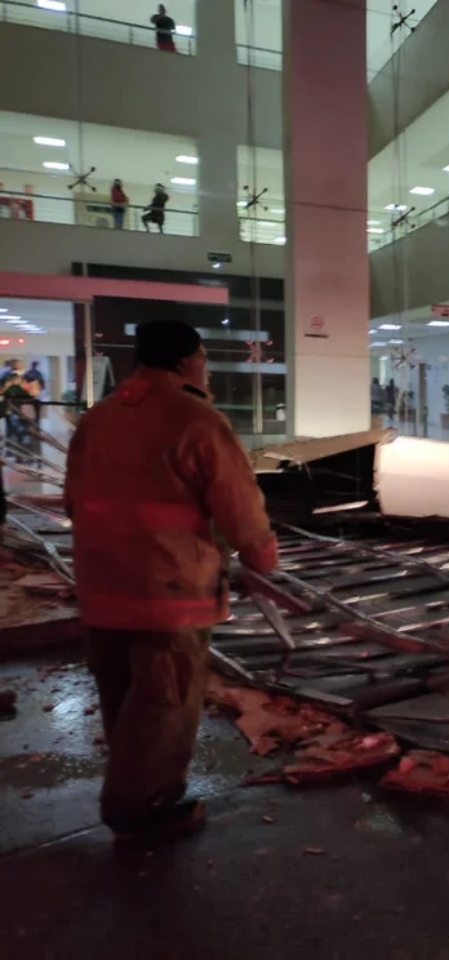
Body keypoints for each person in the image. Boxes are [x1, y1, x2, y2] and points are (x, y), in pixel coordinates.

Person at [64, 320, 278, 841]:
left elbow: (72, 501)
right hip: (168, 594)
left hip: (101, 589)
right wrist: (261, 558)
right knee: (164, 702)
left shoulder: (98, 418)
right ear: (187, 362)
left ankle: (135, 784)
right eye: (202, 357)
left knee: (123, 697)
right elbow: (239, 506)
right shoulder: (196, 420)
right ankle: (141, 806)